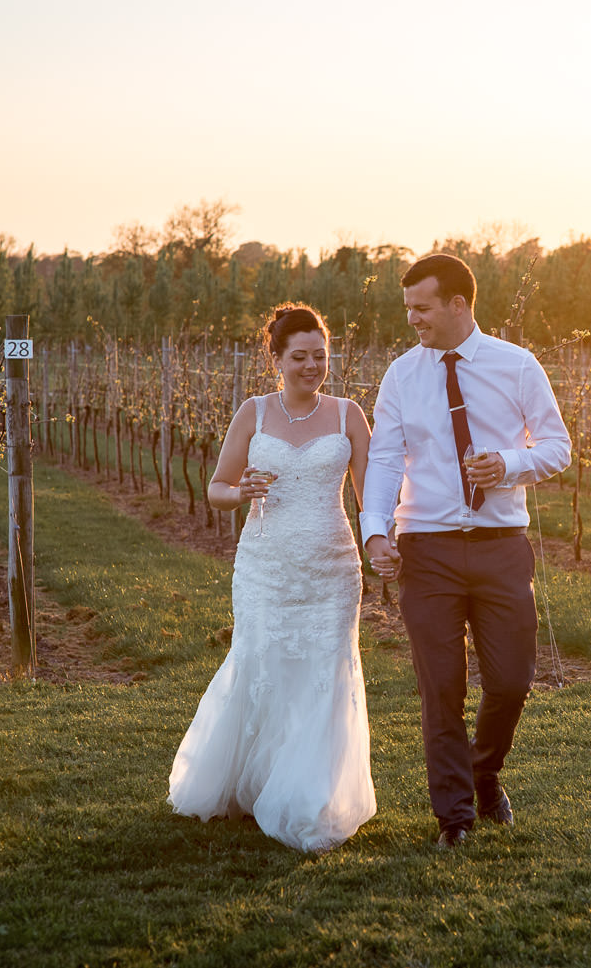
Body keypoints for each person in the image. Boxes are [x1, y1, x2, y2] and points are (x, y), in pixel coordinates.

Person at [362, 253, 571, 849]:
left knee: (510, 682)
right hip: (425, 548)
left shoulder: (518, 365)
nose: (412, 321)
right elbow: (383, 459)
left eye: (421, 308)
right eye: (407, 309)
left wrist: (508, 465)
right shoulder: (401, 375)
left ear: (459, 304)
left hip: (501, 545)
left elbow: (558, 448)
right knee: (442, 687)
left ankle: (485, 771)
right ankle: (453, 817)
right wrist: (376, 530)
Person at [168, 304, 376, 852]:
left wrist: (389, 540)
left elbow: (370, 496)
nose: (313, 366)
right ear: (277, 359)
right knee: (263, 665)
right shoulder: (253, 414)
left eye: (321, 356)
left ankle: (308, 797)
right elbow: (216, 488)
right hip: (265, 567)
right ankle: (251, 783)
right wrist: (242, 493)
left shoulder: (349, 414)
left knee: (322, 678)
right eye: (301, 357)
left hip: (332, 569)